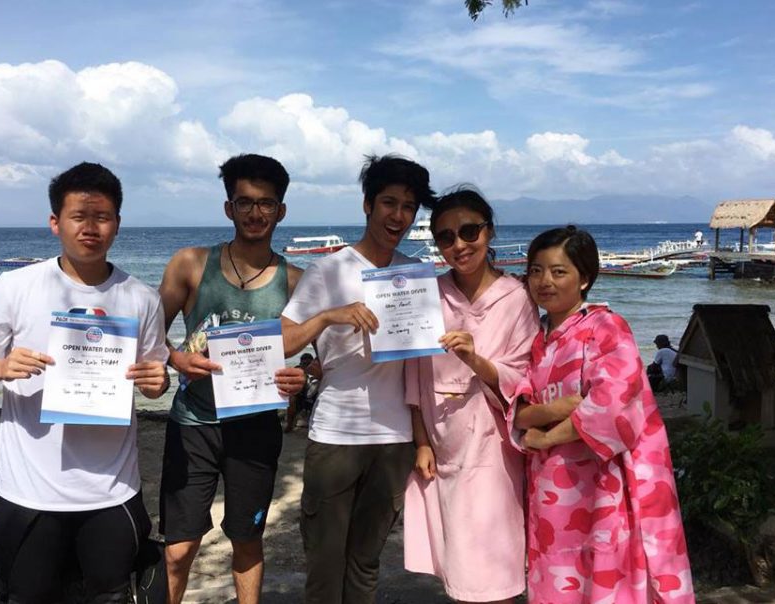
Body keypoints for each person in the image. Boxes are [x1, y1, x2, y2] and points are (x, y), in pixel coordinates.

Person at [0, 162, 170, 603]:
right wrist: (0, 367)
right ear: (55, 223)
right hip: (30, 490)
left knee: (112, 594)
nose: (90, 228)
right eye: (78, 216)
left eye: (102, 217)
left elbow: (154, 380)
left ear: (117, 223)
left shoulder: (142, 298)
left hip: (112, 489)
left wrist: (157, 381)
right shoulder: (15, 286)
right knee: (26, 595)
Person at [510, 226, 693, 603]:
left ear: (585, 278)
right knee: (558, 573)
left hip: (603, 483)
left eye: (559, 271)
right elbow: (518, 410)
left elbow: (612, 403)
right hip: (551, 486)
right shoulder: (536, 339)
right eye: (536, 271)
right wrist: (553, 411)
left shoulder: (606, 327)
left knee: (607, 572)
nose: (545, 281)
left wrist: (546, 435)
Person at [281, 154, 435, 604]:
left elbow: (423, 361)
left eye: (408, 207)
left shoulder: (415, 274)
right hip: (336, 434)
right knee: (325, 565)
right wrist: (330, 315)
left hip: (395, 438)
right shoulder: (329, 270)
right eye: (389, 203)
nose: (398, 216)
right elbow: (284, 340)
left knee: (366, 564)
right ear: (367, 205)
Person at [157, 153, 306, 604]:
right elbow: (149, 334)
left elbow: (311, 356)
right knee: (178, 550)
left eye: (266, 203)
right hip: (193, 424)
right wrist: (176, 359)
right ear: (229, 208)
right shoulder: (190, 263)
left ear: (281, 210)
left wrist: (299, 378)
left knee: (247, 539)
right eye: (245, 202)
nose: (255, 212)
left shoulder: (295, 280)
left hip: (255, 427)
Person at [403, 187, 539, 603]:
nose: (459, 245)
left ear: (489, 231)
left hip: (495, 444)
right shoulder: (428, 295)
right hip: (443, 439)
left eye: (469, 231)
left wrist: (475, 359)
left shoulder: (517, 298)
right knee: (457, 557)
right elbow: (414, 371)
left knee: (495, 555)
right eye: (446, 237)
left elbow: (525, 378)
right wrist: (421, 442)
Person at [285, 352, 321, 433]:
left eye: (308, 364)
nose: (307, 366)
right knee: (291, 399)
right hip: (302, 398)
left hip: (315, 399)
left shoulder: (318, 372)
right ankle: (289, 425)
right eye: (304, 364)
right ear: (301, 364)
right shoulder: (298, 372)